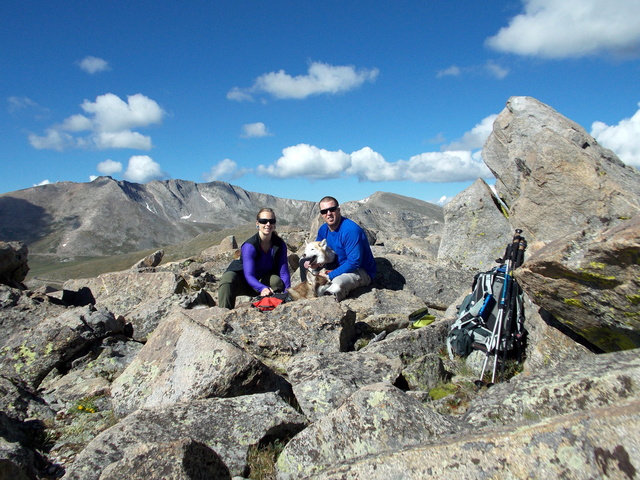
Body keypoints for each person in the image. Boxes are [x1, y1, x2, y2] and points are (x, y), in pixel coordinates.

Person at [302, 196, 376, 301]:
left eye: (332, 209)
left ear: (338, 210)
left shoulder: (350, 231)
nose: (328, 213)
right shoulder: (323, 230)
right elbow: (319, 252)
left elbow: (354, 262)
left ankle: (329, 304)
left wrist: (329, 275)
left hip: (359, 270)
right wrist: (316, 263)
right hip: (335, 266)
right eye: (324, 211)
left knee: (335, 286)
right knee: (304, 264)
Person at [218, 208, 291, 309]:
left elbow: (284, 273)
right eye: (263, 221)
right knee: (227, 280)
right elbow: (249, 275)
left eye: (271, 221)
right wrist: (262, 288)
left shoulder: (279, 245)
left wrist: (288, 292)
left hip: (262, 278)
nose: (268, 224)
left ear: (274, 224)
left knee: (276, 281)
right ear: (257, 223)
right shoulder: (250, 246)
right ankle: (223, 314)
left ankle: (272, 307)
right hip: (242, 279)